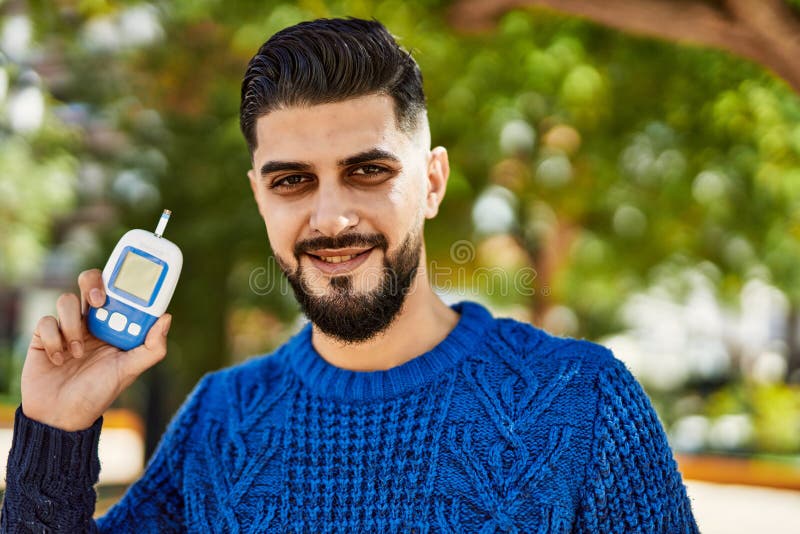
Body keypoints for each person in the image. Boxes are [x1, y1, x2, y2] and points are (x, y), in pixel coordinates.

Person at [1, 17, 699, 533]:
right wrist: (55, 431)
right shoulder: (220, 422)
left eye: (368, 171)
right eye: (293, 181)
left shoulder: (585, 401)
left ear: (431, 182)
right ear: (259, 198)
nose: (331, 217)